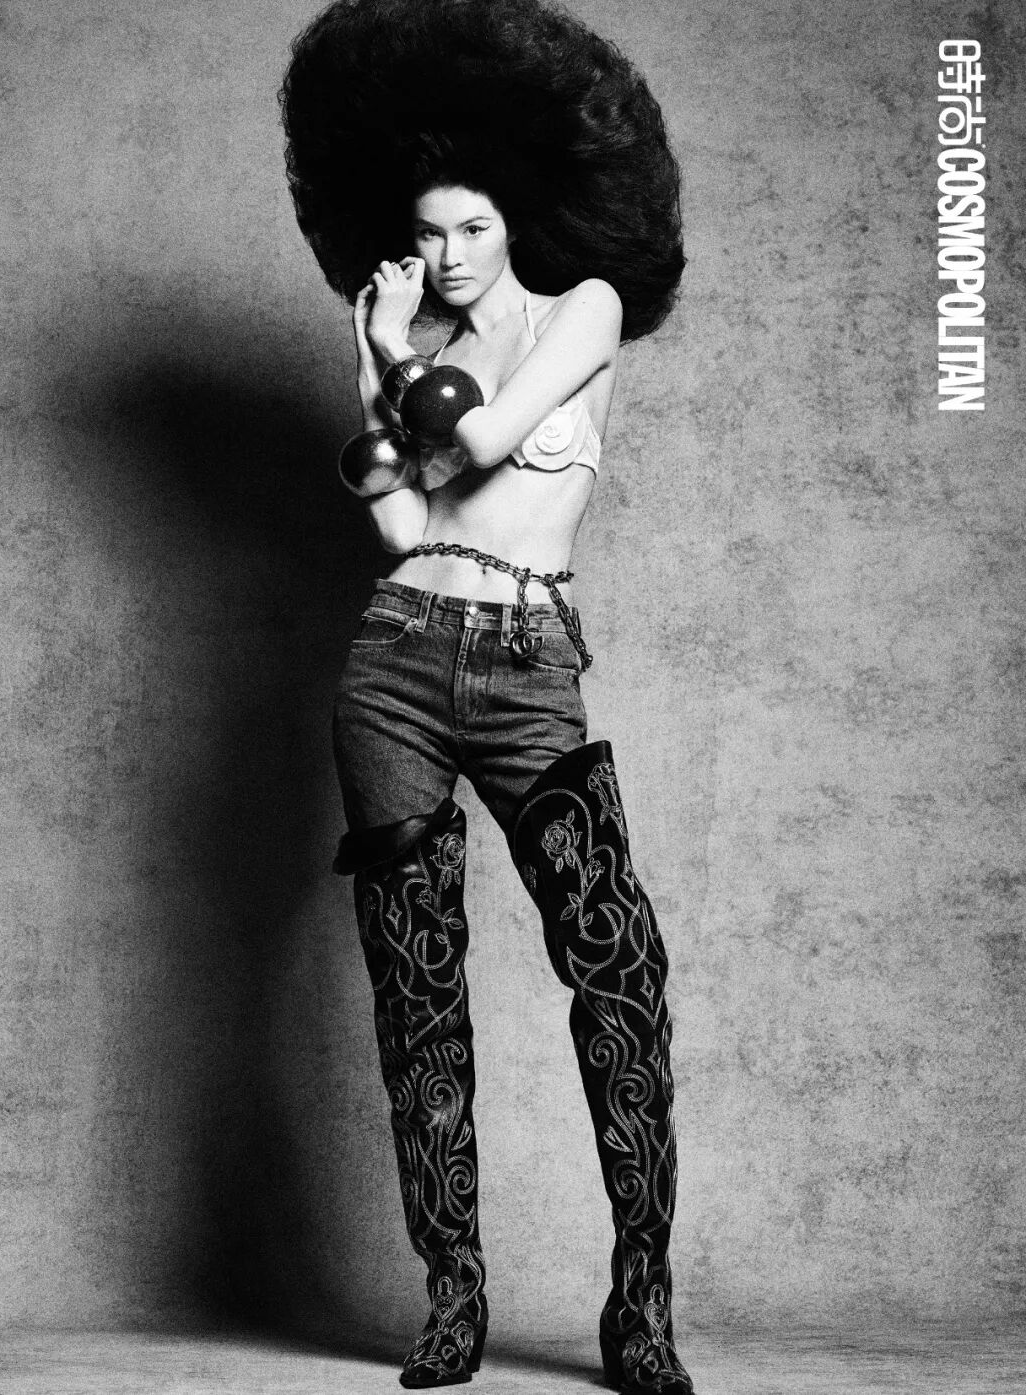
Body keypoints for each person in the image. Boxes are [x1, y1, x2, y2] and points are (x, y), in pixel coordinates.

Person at [281, 2, 691, 1390]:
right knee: (417, 987)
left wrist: (395, 363)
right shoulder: (414, 351)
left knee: (616, 967)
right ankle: (452, 1295)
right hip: (397, 659)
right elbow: (408, 527)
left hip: (528, 667)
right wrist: (373, 370)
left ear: (518, 218)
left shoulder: (587, 312)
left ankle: (641, 1305)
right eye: (429, 231)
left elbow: (490, 438)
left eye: (471, 225)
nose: (449, 253)